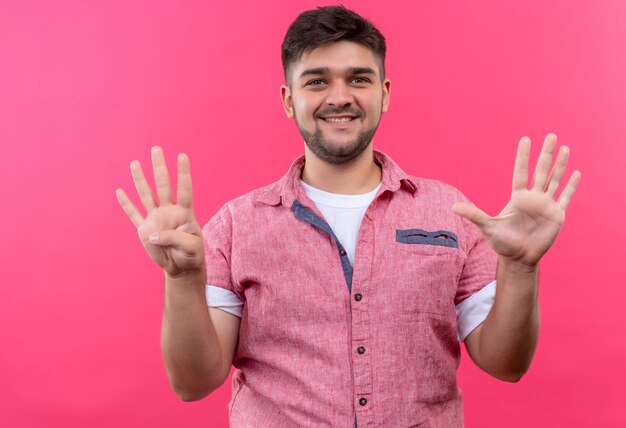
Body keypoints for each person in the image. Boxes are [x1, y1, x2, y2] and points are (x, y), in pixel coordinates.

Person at [116, 6, 580, 427]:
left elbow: (506, 364)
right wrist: (181, 280)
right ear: (287, 99)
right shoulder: (235, 227)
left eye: (358, 79)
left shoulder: (452, 213)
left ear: (385, 93)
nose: (339, 97)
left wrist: (520, 268)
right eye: (317, 81)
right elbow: (192, 383)